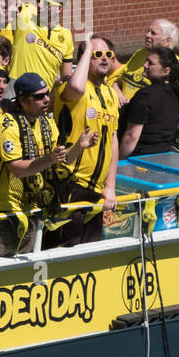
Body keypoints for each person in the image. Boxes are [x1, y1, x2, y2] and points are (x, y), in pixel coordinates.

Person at [0, 72, 91, 259]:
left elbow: (61, 161)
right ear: (23, 100)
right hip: (3, 212)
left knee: (25, 270)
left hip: (33, 209)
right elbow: (16, 168)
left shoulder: (47, 122)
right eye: (39, 96)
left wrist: (79, 147)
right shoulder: (8, 124)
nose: (47, 99)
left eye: (47, 93)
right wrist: (49, 159)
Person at [54, 34, 120, 246]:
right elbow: (76, 88)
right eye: (96, 54)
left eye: (108, 54)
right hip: (70, 184)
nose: (104, 58)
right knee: (62, 251)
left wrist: (110, 186)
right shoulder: (70, 87)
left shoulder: (110, 94)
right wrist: (84, 51)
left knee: (89, 254)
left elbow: (113, 141)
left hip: (97, 190)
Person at [118, 46, 179, 158]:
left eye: (150, 63)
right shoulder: (178, 93)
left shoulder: (145, 96)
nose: (144, 65)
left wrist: (119, 161)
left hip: (139, 158)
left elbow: (132, 136)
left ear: (166, 71)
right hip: (163, 157)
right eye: (146, 60)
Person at [113, 19, 179, 101]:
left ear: (168, 40)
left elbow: (174, 98)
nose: (147, 35)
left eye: (153, 33)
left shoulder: (174, 62)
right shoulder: (139, 53)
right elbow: (117, 81)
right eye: (148, 31)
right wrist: (118, 93)